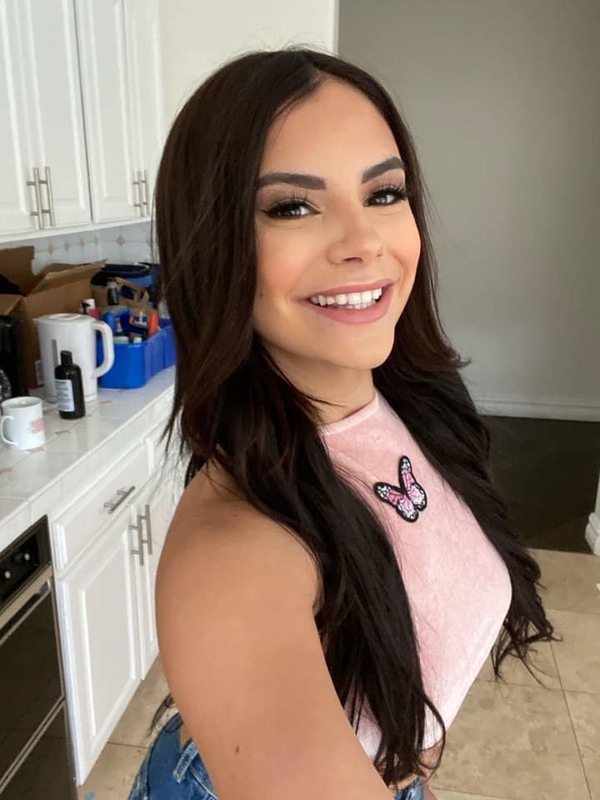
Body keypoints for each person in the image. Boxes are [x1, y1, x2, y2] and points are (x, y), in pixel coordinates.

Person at [127, 47, 559, 800]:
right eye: (293, 206)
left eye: (384, 193)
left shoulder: (407, 404)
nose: (364, 243)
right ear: (215, 243)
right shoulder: (236, 555)